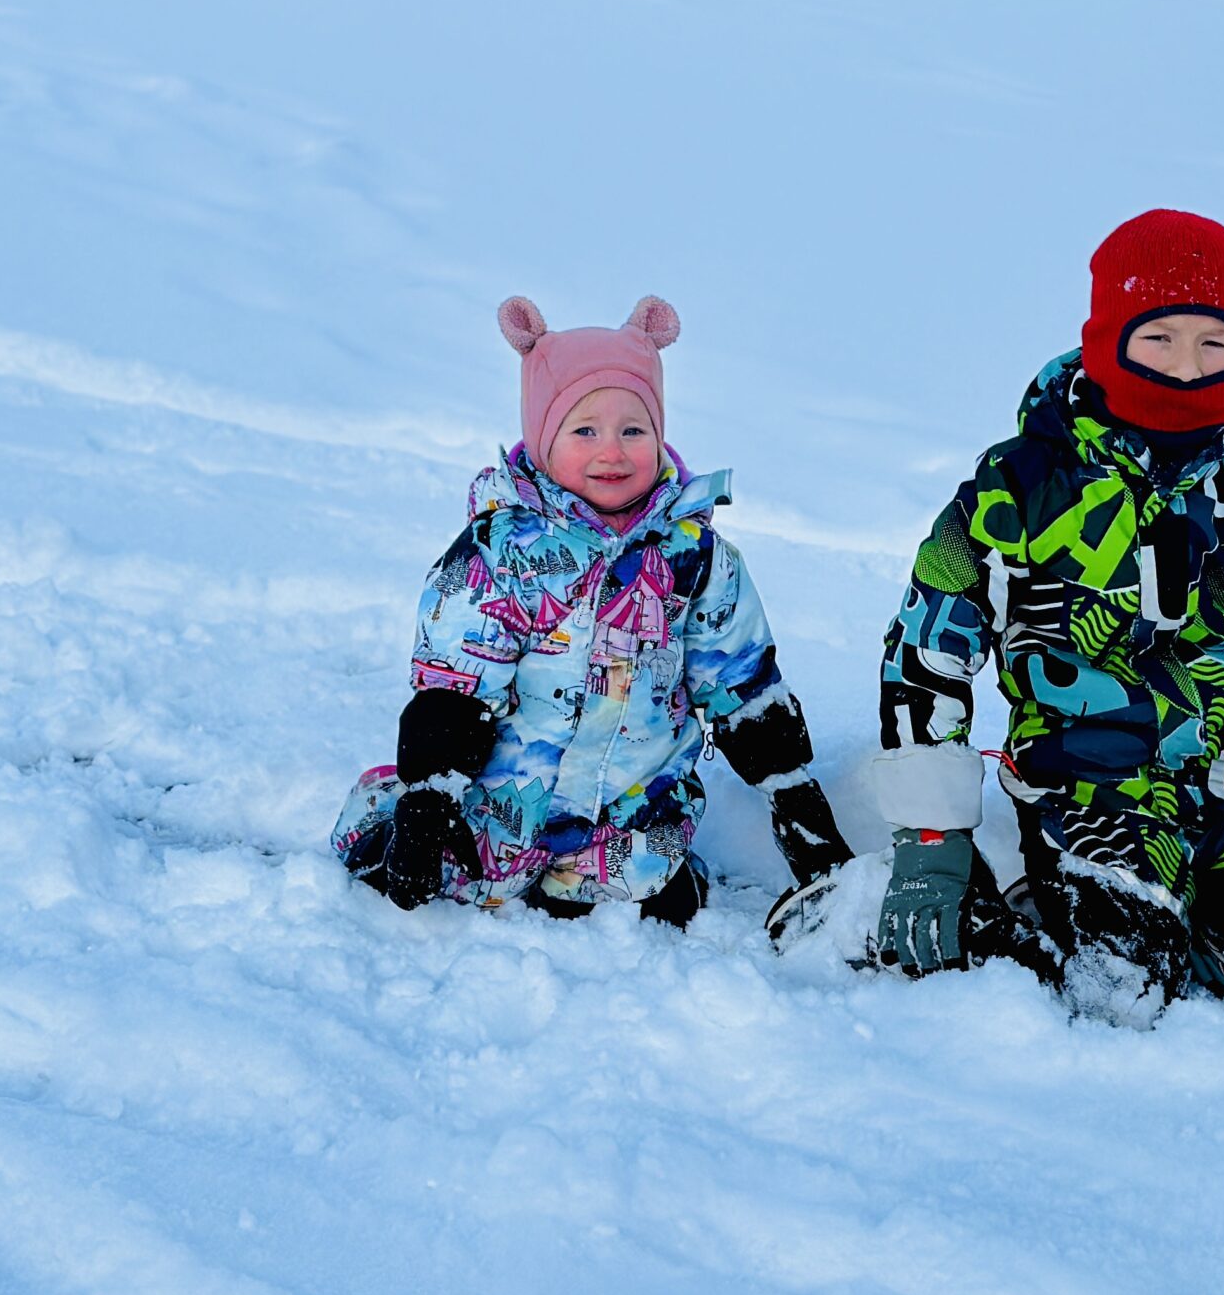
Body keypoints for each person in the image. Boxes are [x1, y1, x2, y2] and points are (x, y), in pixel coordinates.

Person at [868, 210, 1224, 1027]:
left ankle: (1207, 916)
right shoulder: (1019, 488)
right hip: (1091, 784)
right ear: (1107, 341)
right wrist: (930, 839)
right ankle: (1024, 917)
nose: (1187, 368)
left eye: (1214, 343)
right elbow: (925, 657)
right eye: (1158, 339)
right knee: (1122, 990)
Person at [334, 295, 847, 922]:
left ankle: (646, 871)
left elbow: (739, 679)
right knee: (460, 877)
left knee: (639, 881)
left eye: (634, 430)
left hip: (633, 801)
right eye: (584, 431)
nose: (613, 451)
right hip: (505, 796)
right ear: (542, 439)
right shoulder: (505, 550)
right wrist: (430, 797)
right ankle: (392, 815)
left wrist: (791, 791)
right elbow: (456, 681)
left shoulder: (694, 556)